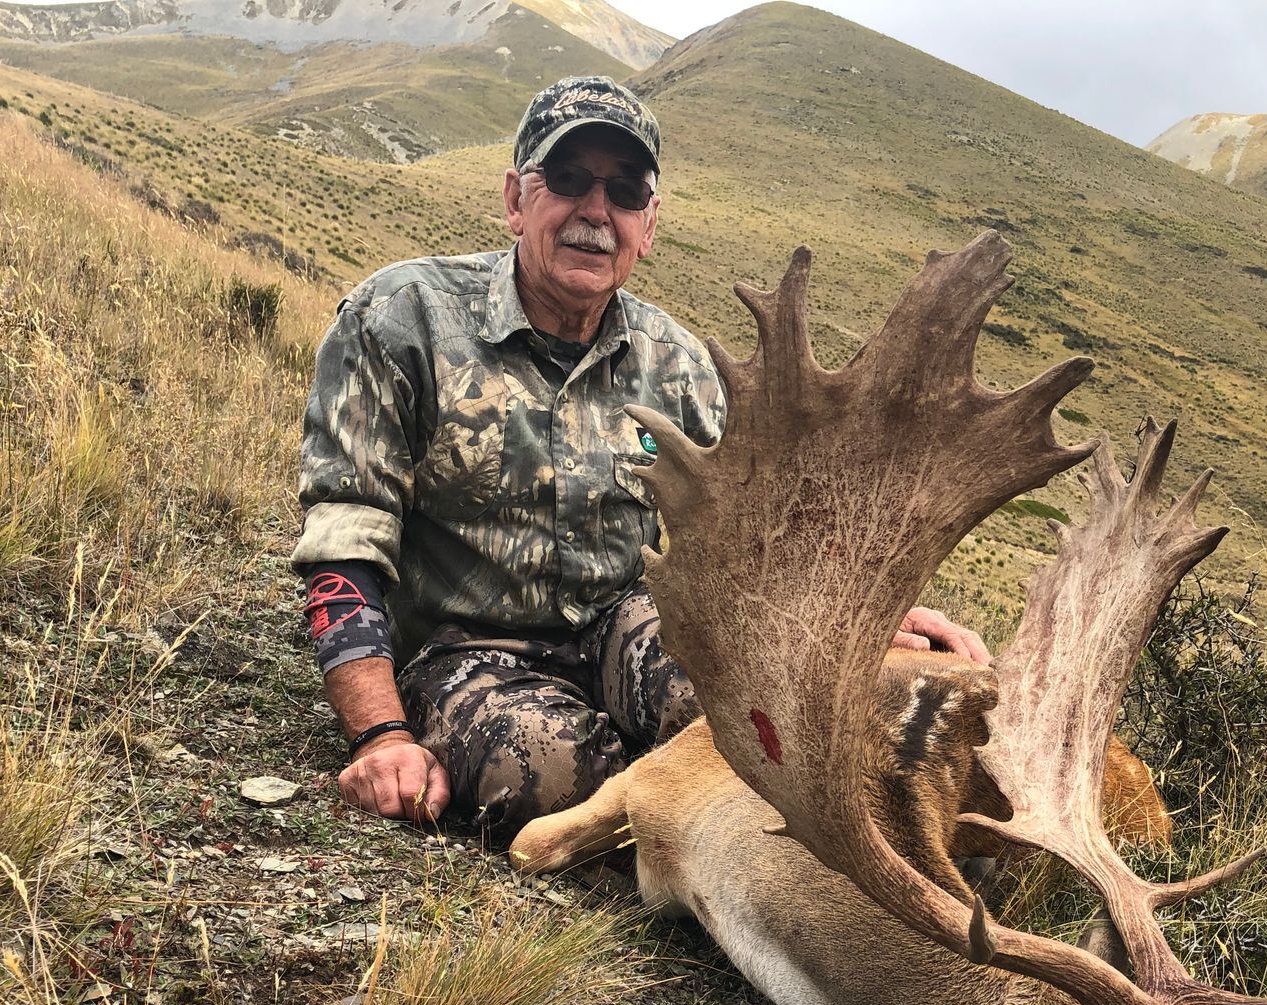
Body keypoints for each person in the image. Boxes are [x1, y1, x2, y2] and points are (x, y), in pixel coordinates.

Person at [293, 76, 989, 845]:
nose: (596, 212)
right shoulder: (401, 318)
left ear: (648, 227)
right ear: (515, 199)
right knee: (553, 774)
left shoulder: (682, 367)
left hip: (629, 619)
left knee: (759, 718)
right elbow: (346, 535)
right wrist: (380, 737)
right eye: (568, 180)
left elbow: (752, 540)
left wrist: (865, 619)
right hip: (463, 647)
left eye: (625, 192)